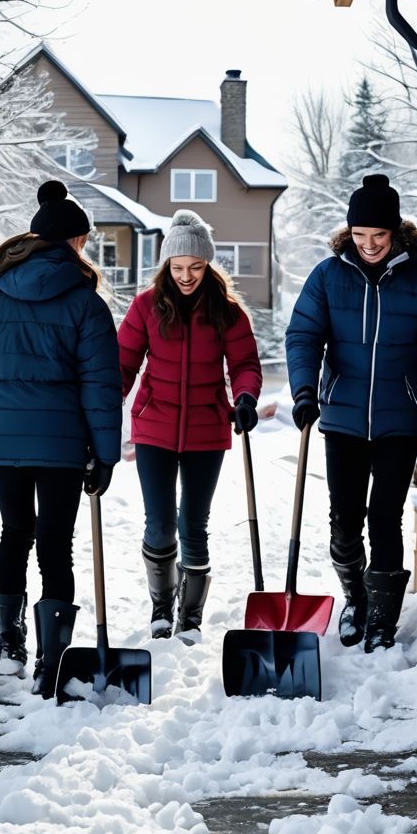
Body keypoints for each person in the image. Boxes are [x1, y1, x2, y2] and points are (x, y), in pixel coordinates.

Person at [285, 174, 417, 652]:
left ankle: (383, 619)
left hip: (399, 419)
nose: (370, 246)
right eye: (361, 236)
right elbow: (303, 336)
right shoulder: (328, 276)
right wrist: (305, 391)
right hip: (343, 416)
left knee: (384, 516)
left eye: (379, 237)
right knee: (345, 518)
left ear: (396, 233)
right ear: (350, 233)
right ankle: (356, 601)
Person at [0, 180, 122, 698]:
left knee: (14, 532)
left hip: (4, 435)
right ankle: (52, 658)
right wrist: (106, 455)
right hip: (61, 442)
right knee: (55, 545)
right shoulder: (85, 302)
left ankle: (8, 648)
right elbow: (101, 385)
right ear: (76, 241)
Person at [118, 210, 262, 640]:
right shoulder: (146, 306)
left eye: (195, 267)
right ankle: (162, 606)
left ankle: (191, 618)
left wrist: (246, 397)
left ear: (208, 265)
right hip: (154, 427)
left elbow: (244, 364)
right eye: (178, 268)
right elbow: (123, 365)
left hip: (206, 429)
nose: (186, 276)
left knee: (193, 524)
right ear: (166, 266)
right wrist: (106, 408)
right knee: (159, 523)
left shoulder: (227, 311)